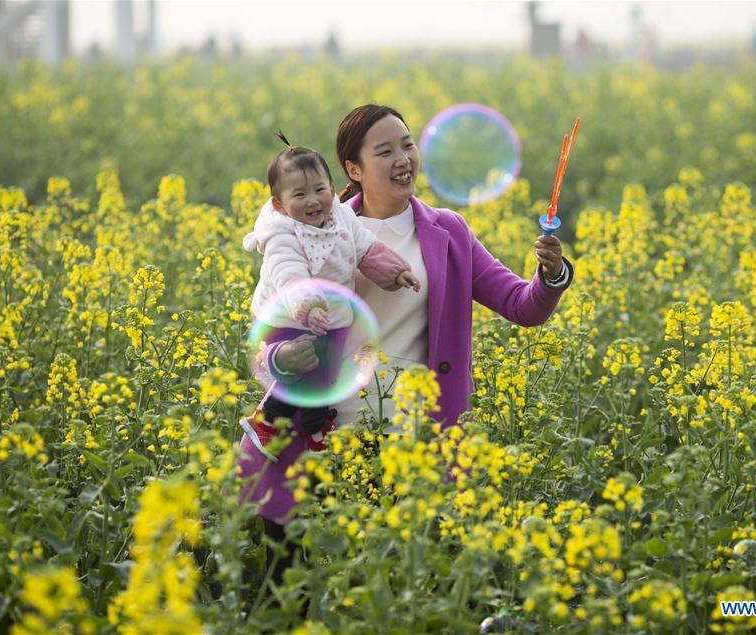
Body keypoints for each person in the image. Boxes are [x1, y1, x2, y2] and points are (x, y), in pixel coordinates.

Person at [238, 105, 573, 591]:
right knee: (315, 588)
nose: (403, 159)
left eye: (408, 145)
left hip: (414, 440)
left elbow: (522, 306)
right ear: (353, 169)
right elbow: (272, 333)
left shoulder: (448, 232)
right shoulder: (307, 233)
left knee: (398, 589)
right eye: (385, 151)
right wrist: (282, 359)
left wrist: (551, 274)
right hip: (326, 433)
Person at [240, 133, 420, 460]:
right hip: (287, 316)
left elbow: (365, 247)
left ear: (333, 190)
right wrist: (307, 307)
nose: (313, 200)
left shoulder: (341, 217)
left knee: (325, 376)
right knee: (305, 372)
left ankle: (314, 426)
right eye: (300, 194)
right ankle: (272, 422)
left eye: (320, 190)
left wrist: (396, 272)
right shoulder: (282, 234)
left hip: (328, 316)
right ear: (279, 204)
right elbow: (290, 275)